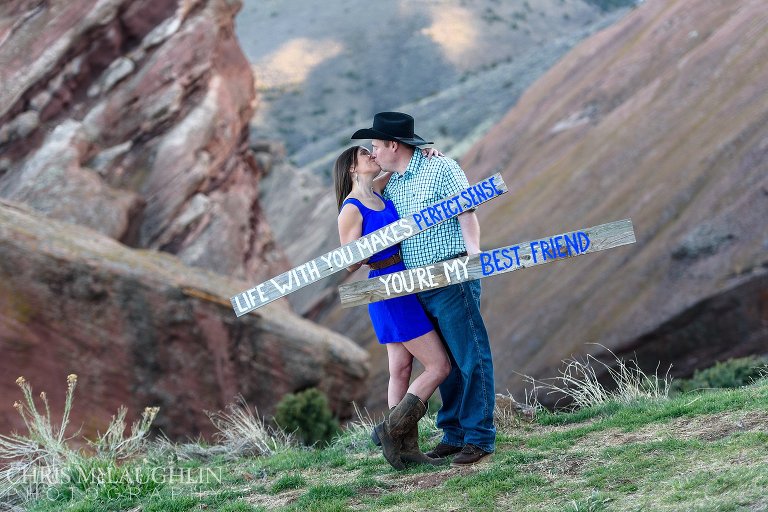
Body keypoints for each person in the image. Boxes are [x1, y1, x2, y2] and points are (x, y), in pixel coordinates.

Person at [351, 112, 496, 466]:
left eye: (375, 145)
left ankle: (479, 438)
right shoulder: (393, 183)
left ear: (393, 145)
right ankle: (453, 434)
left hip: (450, 276)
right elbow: (362, 200)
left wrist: (473, 255)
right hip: (415, 284)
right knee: (444, 360)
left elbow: (467, 211)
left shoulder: (442, 169)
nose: (373, 152)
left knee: (470, 356)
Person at [334, 145, 451, 470]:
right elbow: (348, 263)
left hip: (403, 281)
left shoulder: (379, 190)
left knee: (400, 369)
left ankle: (405, 447)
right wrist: (368, 249)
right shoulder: (351, 208)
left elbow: (401, 166)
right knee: (439, 367)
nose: (372, 156)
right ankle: (390, 430)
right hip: (387, 288)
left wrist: (423, 150)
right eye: (364, 155)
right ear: (351, 170)